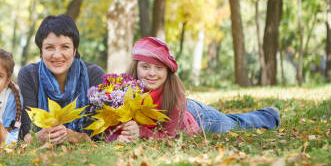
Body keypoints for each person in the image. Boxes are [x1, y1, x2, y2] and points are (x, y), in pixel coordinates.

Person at [113, 37, 280, 142]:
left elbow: (169, 136)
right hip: (183, 112)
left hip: (196, 117)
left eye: (159, 68)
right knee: (232, 119)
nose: (151, 73)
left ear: (167, 71)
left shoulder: (173, 92)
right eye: (145, 67)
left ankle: (268, 115)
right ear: (136, 67)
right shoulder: (123, 89)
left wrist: (139, 132)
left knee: (235, 125)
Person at [18, 15, 104, 144]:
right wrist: (39, 137)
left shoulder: (94, 75)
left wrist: (73, 136)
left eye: (65, 47)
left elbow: (99, 136)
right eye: (49, 47)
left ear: (74, 50)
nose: (57, 55)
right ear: (41, 51)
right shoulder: (29, 75)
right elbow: (27, 133)